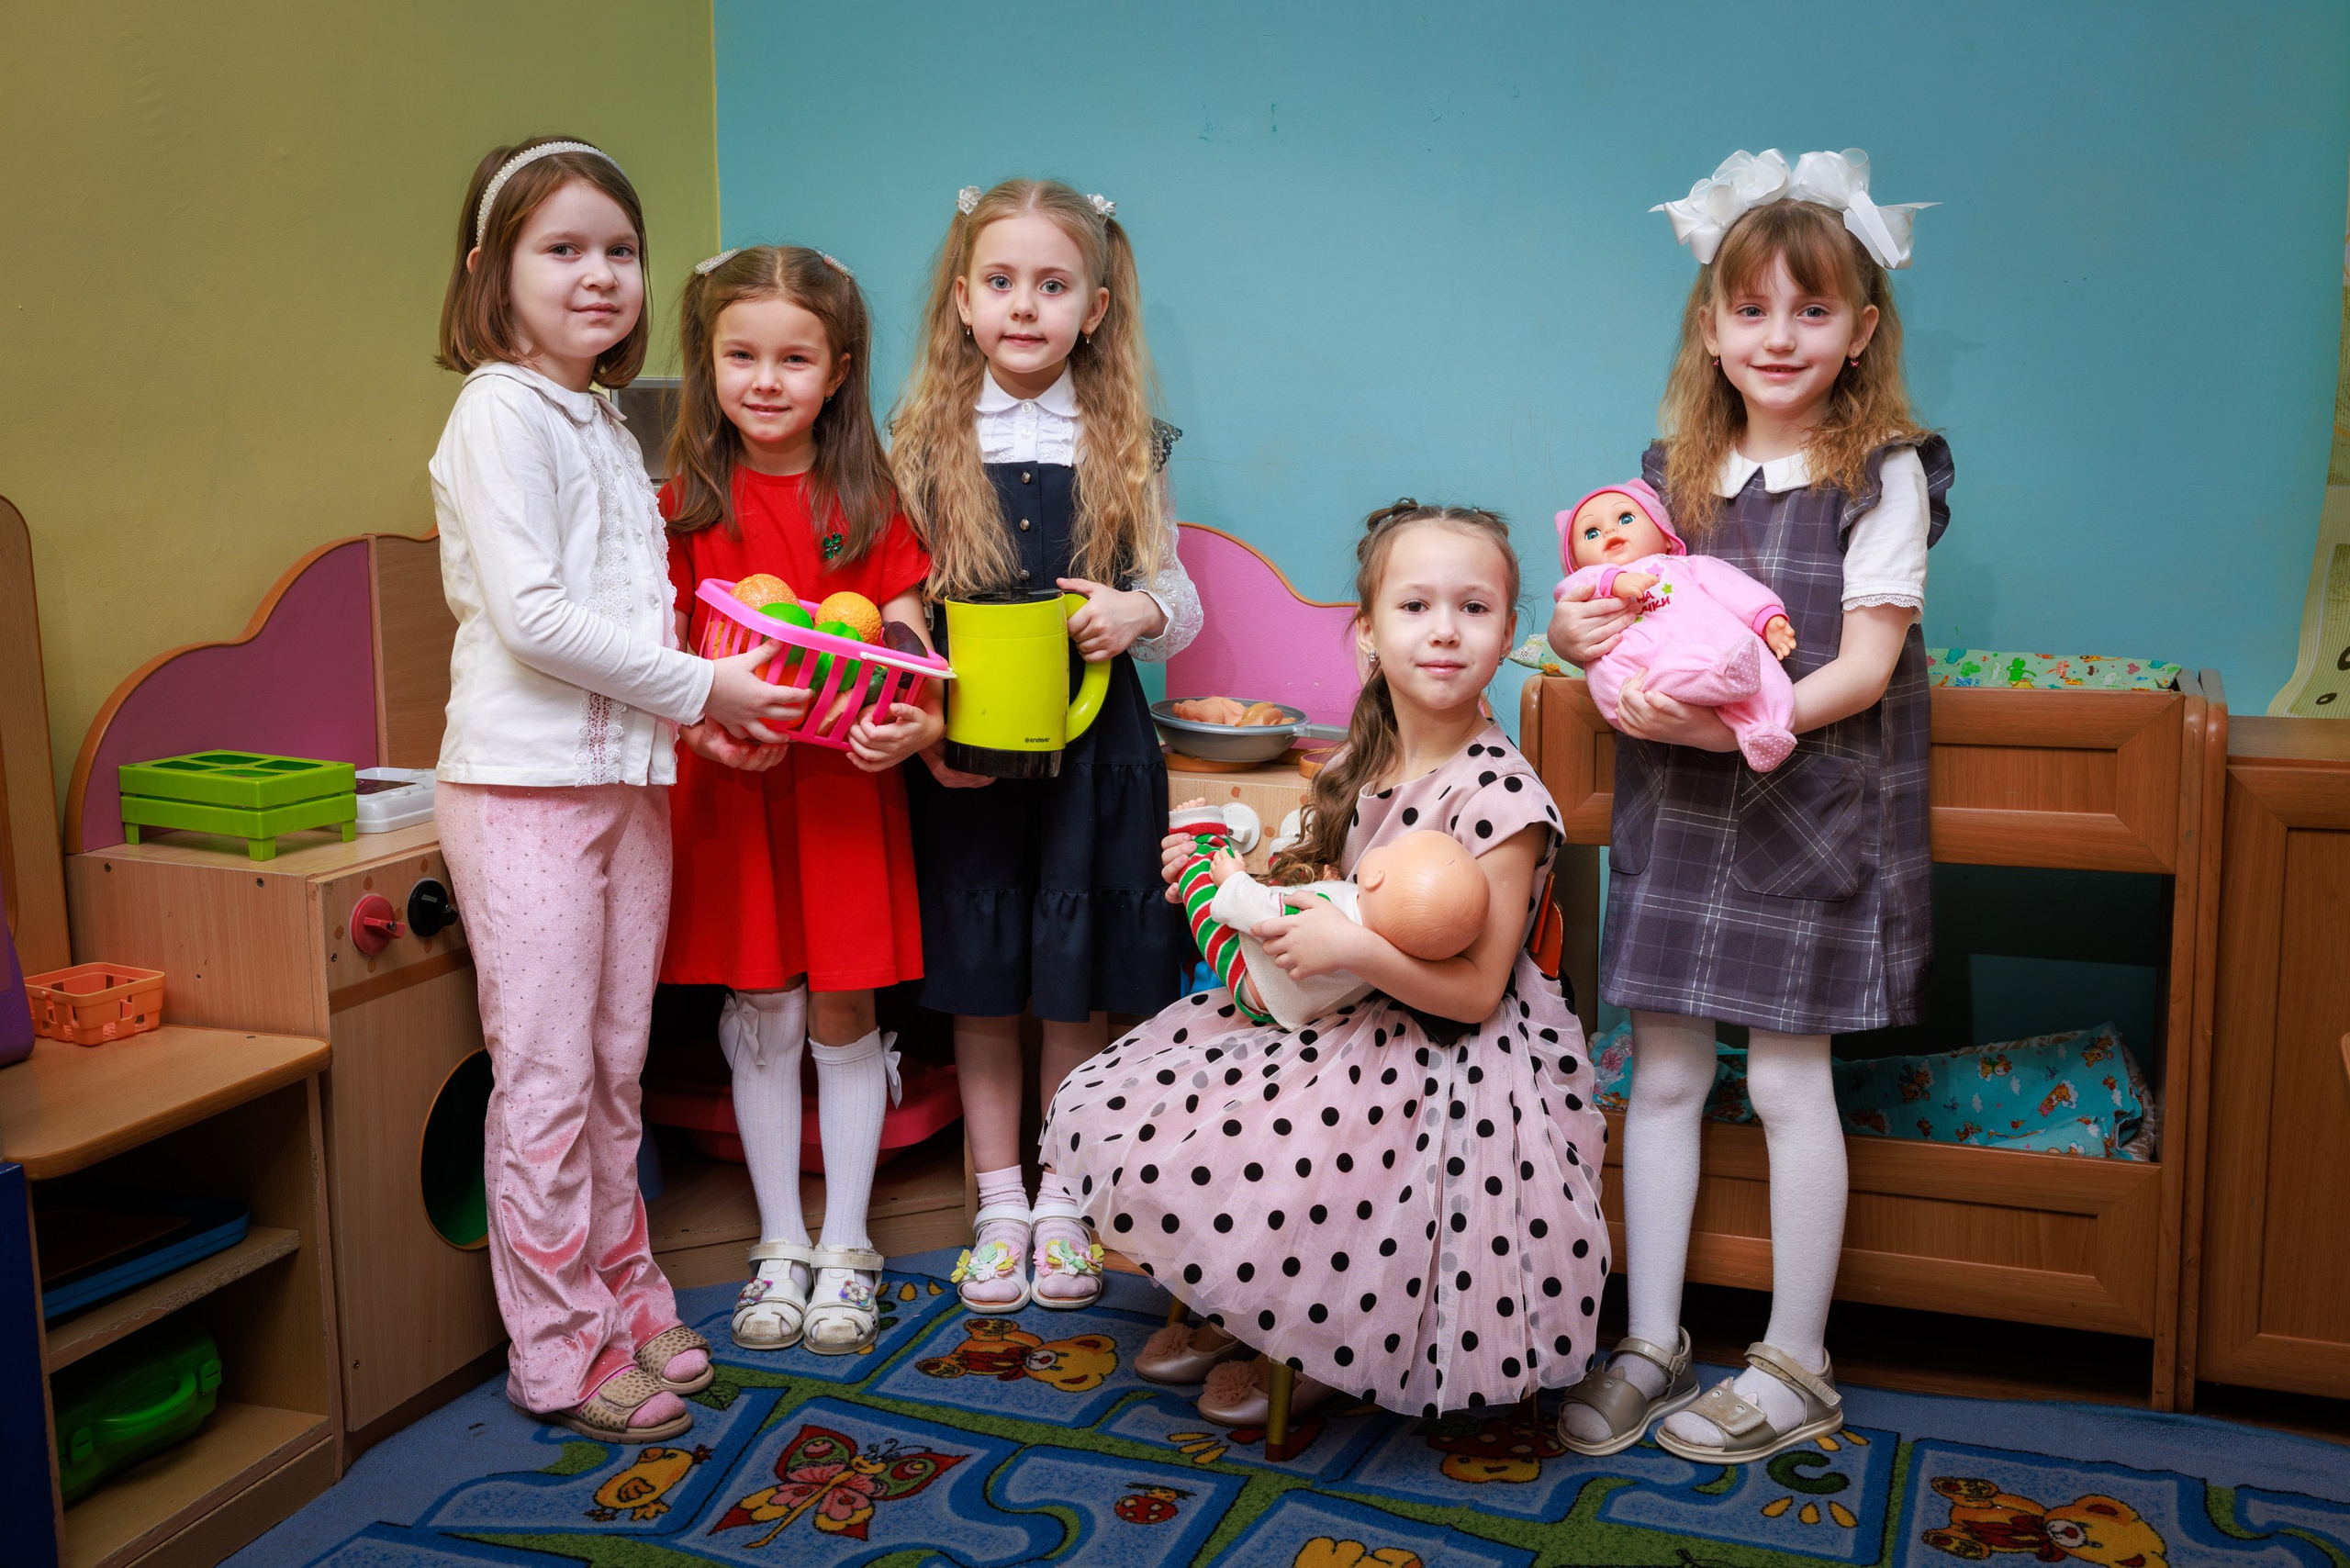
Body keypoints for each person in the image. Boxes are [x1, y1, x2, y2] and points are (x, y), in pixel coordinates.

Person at [1548, 148, 1953, 1462]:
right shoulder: (1672, 472)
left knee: (1785, 1084)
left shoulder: (1883, 473)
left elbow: (1868, 669)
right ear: (1712, 328)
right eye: (1755, 311)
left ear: (1862, 332)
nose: (1781, 337)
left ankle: (1795, 1364)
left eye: (1814, 311)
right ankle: (1652, 1338)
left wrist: (1733, 721)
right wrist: (1573, 636)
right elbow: (1610, 622)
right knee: (1660, 1076)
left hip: (1802, 809)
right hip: (1678, 810)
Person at [1043, 500, 1611, 1425]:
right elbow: (1322, 880)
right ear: (1367, 636)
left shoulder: (1503, 799)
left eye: (1473, 609)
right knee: (1170, 1114)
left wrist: (1351, 948)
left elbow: (1472, 994)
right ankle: (1250, 1306)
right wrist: (1242, 873)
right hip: (1335, 1004)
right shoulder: (1368, 754)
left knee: (1309, 1149)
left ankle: (1318, 1336)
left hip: (1443, 1055)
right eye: (1414, 607)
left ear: (1510, 634)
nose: (1442, 631)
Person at [429, 136, 803, 1441]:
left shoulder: (595, 414)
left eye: (621, 253)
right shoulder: (496, 412)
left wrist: (702, 727)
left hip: (625, 784)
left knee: (612, 1068)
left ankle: (625, 1301)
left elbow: (629, 616)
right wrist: (707, 696)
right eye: (563, 250)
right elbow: (534, 619)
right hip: (523, 790)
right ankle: (557, 1352)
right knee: (541, 1079)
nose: (600, 276)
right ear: (492, 272)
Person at [890, 178, 1201, 1314]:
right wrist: (914, 677)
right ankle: (998, 1202)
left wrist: (1139, 615)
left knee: (1068, 980)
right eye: (1003, 282)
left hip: (1095, 740)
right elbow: (895, 594)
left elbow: (1178, 593)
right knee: (985, 976)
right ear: (963, 300)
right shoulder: (922, 438)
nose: (1026, 307)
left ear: (1097, 306)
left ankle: (1065, 1201)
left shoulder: (1123, 440)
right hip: (974, 743)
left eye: (1053, 285)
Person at [660, 244, 942, 1356]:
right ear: (708, 363)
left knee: (842, 1012)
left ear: (839, 368)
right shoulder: (681, 503)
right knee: (762, 1007)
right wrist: (700, 730)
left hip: (839, 793)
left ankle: (848, 1244)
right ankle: (778, 1241)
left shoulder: (868, 496)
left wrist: (915, 717)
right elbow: (659, 651)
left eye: (793, 357)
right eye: (741, 355)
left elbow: (909, 631)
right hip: (736, 791)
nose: (765, 380)